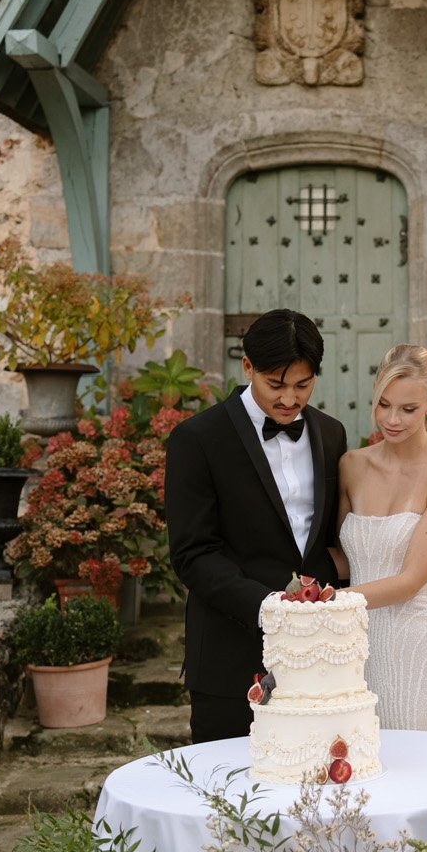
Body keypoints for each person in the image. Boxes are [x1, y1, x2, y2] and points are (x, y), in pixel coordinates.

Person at [165, 309, 348, 745]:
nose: (289, 398)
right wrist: (267, 607)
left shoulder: (332, 434)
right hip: (230, 655)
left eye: (303, 385)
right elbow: (192, 553)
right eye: (276, 385)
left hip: (317, 659)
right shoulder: (197, 438)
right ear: (247, 367)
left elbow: (328, 541)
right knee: (228, 799)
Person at [334, 344, 427, 733]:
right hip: (355, 657)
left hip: (422, 657)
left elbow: (410, 582)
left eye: (408, 409)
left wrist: (325, 604)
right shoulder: (352, 466)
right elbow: (345, 559)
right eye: (383, 404)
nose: (392, 419)